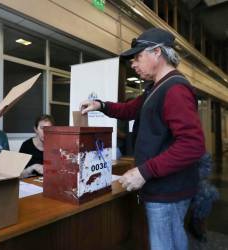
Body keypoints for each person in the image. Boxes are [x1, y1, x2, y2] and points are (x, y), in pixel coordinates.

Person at [80, 28, 205, 250]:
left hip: (167, 189)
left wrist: (144, 171)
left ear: (157, 52)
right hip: (165, 186)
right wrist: (101, 105)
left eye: (138, 56)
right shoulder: (155, 89)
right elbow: (129, 109)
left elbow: (192, 145)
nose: (133, 64)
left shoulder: (174, 89)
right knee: (174, 239)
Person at [188, 152, 219, 242]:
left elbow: (206, 165)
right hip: (172, 183)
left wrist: (194, 176)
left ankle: (197, 220)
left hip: (191, 179)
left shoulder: (194, 145)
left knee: (207, 193)